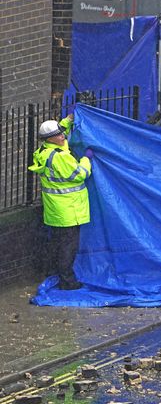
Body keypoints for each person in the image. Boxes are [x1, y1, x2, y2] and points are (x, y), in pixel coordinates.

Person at [28, 115, 93, 290]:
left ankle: (53, 272)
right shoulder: (60, 157)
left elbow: (61, 134)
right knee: (68, 247)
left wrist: (68, 120)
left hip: (56, 209)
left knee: (57, 243)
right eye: (58, 135)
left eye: (61, 133)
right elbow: (79, 174)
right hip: (69, 209)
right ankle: (68, 281)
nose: (62, 136)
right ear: (49, 139)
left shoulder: (45, 151)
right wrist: (87, 159)